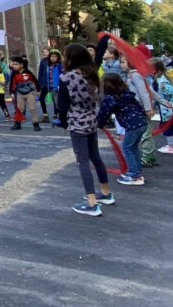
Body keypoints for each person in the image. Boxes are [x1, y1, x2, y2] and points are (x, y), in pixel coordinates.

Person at [57, 44, 113, 217]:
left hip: (77, 121)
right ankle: (105, 192)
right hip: (91, 118)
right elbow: (100, 98)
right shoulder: (93, 74)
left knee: (82, 161)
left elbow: (62, 106)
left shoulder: (66, 78)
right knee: (95, 157)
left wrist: (64, 122)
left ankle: (91, 203)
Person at [97, 73, 149, 186]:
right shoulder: (127, 94)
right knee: (133, 147)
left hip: (132, 125)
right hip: (141, 122)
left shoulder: (110, 98)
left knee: (126, 148)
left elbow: (103, 112)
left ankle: (134, 175)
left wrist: (100, 124)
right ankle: (136, 172)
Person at [153, 59, 173, 155]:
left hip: (167, 108)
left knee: (167, 126)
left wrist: (164, 88)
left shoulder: (161, 79)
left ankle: (171, 146)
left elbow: (171, 90)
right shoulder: (162, 77)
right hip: (169, 107)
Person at [8, 56, 41, 131]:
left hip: (30, 92)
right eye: (13, 64)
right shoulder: (14, 73)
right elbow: (12, 83)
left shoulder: (28, 73)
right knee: (19, 109)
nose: (14, 66)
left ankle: (36, 124)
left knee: (32, 108)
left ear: (21, 65)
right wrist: (12, 92)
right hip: (19, 93)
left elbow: (35, 81)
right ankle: (17, 123)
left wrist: (38, 90)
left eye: (16, 64)